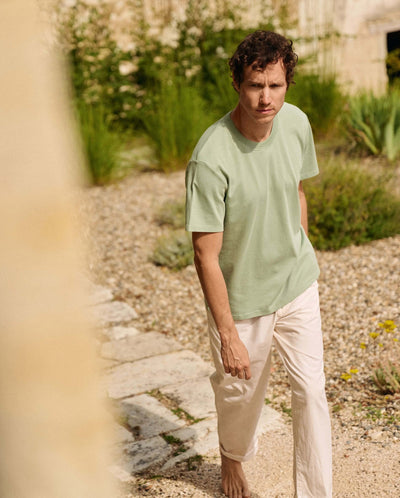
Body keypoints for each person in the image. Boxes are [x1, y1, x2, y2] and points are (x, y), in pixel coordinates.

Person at [185, 30, 332, 498]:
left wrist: (300, 249)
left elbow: (297, 190)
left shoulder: (297, 123)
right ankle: (232, 458)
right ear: (237, 83)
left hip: (296, 283)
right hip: (243, 299)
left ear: (287, 84)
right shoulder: (211, 157)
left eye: (275, 85)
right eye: (255, 85)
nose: (265, 98)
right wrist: (228, 333)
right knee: (240, 397)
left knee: (311, 391)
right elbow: (205, 254)